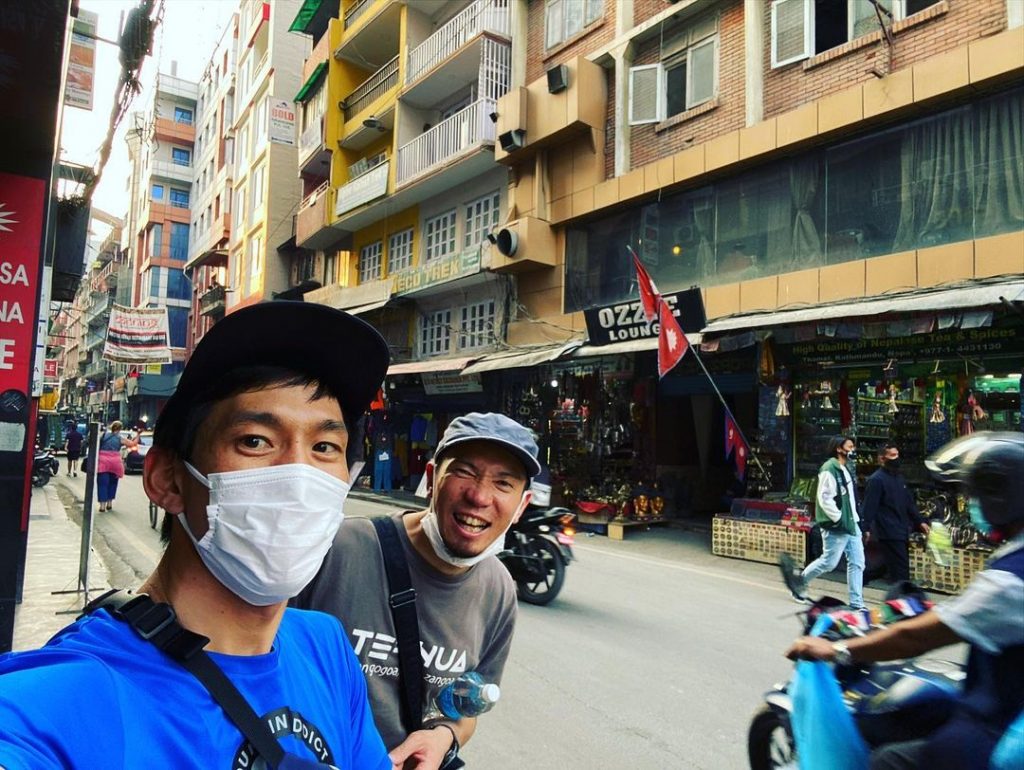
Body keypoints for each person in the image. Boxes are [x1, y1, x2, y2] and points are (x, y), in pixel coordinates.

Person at [0, 301, 393, 769]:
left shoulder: (326, 647)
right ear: (167, 479)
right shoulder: (69, 698)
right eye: (255, 441)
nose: (298, 475)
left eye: (325, 447)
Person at [295, 412, 540, 770]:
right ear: (431, 478)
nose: (479, 496)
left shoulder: (499, 591)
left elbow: (469, 706)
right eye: (464, 472)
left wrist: (443, 736)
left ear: (522, 505)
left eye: (504, 483)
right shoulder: (339, 548)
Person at [786, 432, 1024, 770]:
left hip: (995, 727)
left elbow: (919, 635)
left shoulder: (1008, 580)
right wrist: (858, 525)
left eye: (977, 494)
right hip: (865, 530)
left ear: (1001, 497)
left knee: (888, 762)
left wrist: (839, 650)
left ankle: (852, 598)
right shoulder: (845, 472)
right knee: (847, 564)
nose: (972, 503)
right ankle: (840, 593)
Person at [783, 436, 866, 609]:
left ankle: (856, 603)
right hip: (838, 525)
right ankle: (799, 583)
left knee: (857, 562)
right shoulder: (830, 468)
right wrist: (839, 518)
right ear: (839, 448)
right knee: (829, 562)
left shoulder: (844, 468)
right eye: (850, 446)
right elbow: (824, 498)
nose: (853, 449)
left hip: (852, 524)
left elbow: (850, 498)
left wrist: (855, 519)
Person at [862, 443, 930, 583]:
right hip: (888, 530)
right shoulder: (876, 480)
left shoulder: (899, 478)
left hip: (902, 528)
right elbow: (869, 507)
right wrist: (865, 528)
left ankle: (864, 578)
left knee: (889, 565)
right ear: (882, 459)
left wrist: (920, 521)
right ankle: (902, 596)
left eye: (897, 455)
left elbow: (909, 503)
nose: (896, 458)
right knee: (901, 569)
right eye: (892, 456)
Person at [95, 420, 137, 511]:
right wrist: (138, 435)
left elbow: (94, 443)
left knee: (102, 484)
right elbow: (133, 444)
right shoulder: (120, 438)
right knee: (113, 483)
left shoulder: (103, 435)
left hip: (102, 461)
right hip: (115, 462)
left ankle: (102, 506)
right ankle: (109, 504)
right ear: (120, 428)